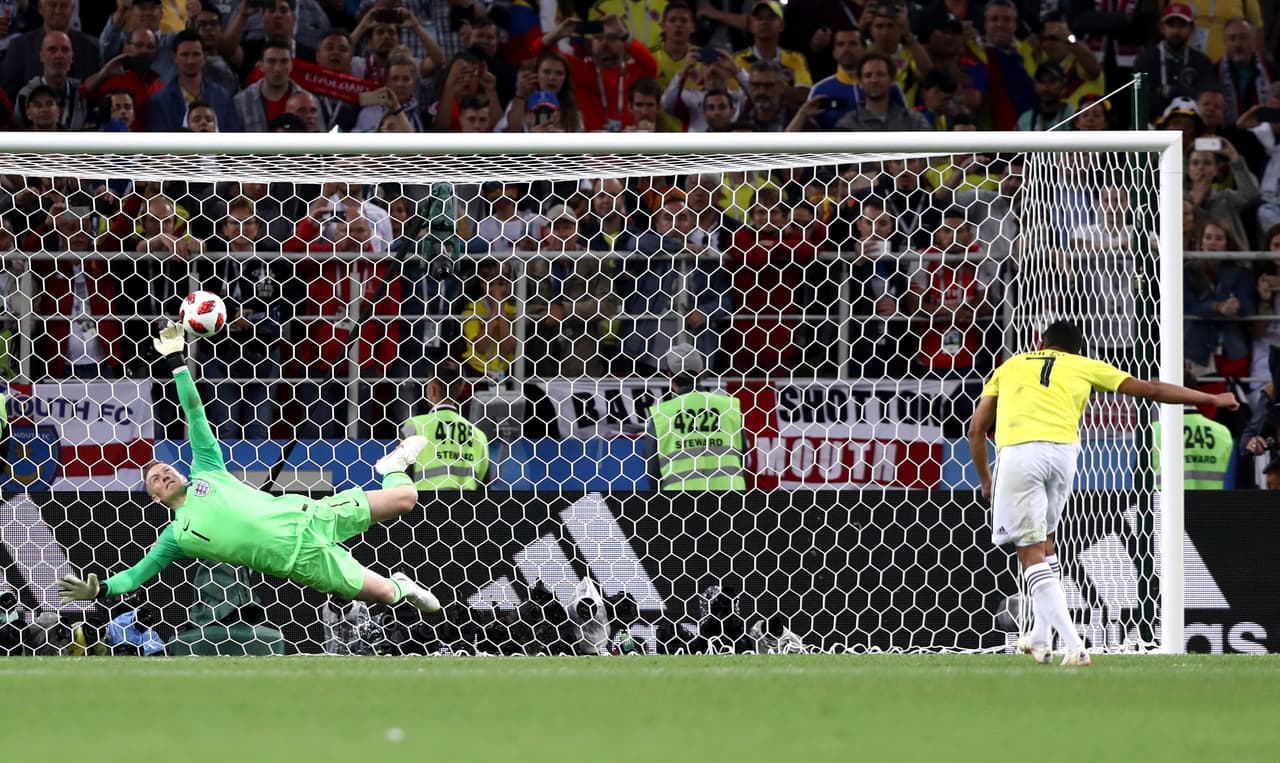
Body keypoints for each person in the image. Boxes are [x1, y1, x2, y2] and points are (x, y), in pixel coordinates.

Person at [57, 323, 442, 613]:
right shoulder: (177, 536)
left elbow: (194, 412)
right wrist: (101, 589)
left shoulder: (207, 470)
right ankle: (403, 586)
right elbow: (136, 575)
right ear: (157, 498)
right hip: (301, 562)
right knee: (386, 594)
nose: (164, 474)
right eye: (156, 479)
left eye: (166, 469)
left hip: (310, 515)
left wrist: (176, 362)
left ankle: (392, 463)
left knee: (406, 497)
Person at [967, 320, 1239, 666]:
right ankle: (1039, 634)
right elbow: (1152, 390)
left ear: (1040, 344)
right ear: (1076, 349)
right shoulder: (1086, 365)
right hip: (1064, 454)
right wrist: (1212, 396)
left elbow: (976, 429)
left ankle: (1074, 644)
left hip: (1021, 453)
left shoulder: (1010, 366)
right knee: (1047, 543)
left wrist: (987, 480)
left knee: (1028, 552)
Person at [647, 344, 746, 491]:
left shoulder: (661, 414)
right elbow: (743, 458)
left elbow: (653, 470)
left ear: (669, 375)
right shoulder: (730, 407)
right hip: (729, 498)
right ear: (701, 373)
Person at [401, 366, 490, 491]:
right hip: (466, 508)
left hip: (425, 506)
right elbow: (485, 489)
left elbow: (400, 479)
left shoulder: (414, 426)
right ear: (461, 388)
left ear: (433, 389)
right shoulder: (479, 435)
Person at [1152, 372, 1236, 489]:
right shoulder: (1222, 432)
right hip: (1209, 504)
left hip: (1165, 504)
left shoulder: (1153, 431)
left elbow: (1138, 475)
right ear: (1196, 392)